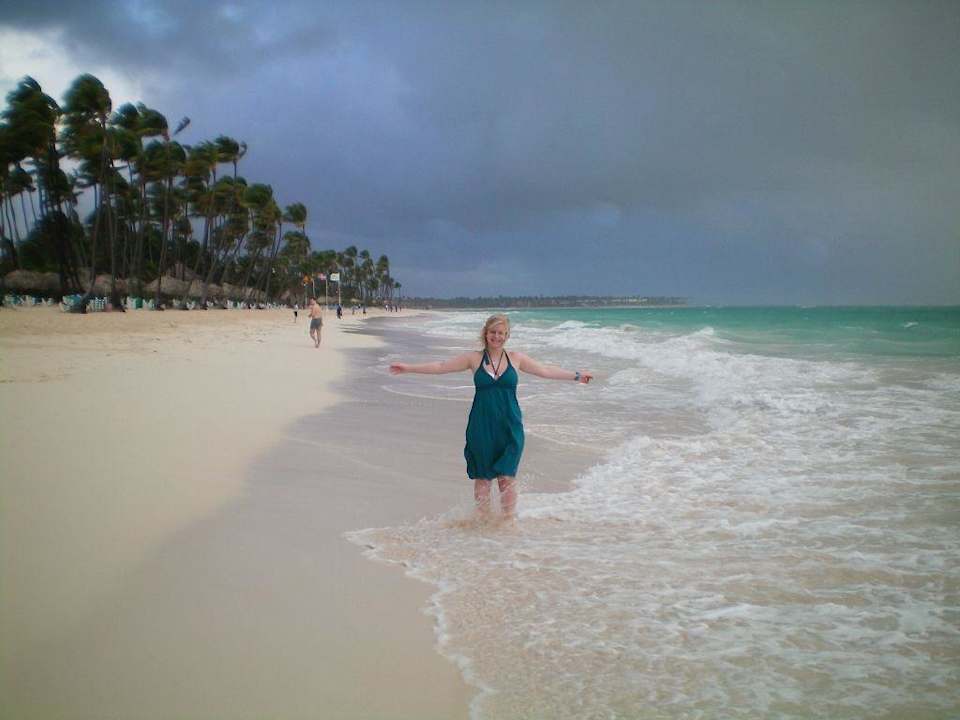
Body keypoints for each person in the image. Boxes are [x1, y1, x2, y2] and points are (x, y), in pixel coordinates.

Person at [389, 314, 593, 521]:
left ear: (507, 335)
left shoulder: (516, 358)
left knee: (507, 477)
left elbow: (545, 370)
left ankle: (508, 522)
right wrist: (408, 368)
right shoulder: (474, 359)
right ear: (486, 334)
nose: (497, 336)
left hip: (510, 424)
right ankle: (483, 521)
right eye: (493, 332)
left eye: (501, 333)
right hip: (482, 424)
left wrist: (576, 376)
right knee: (483, 477)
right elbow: (441, 367)